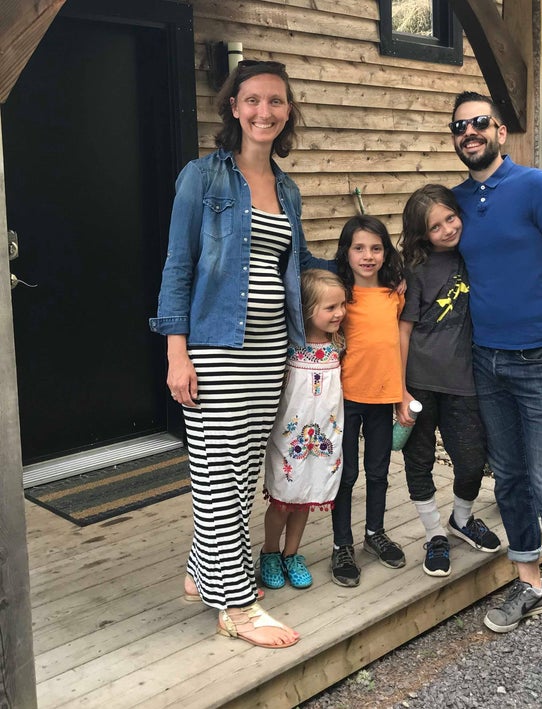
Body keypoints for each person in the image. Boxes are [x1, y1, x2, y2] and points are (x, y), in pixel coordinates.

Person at [149, 60, 333, 649]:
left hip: (271, 349)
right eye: (252, 100)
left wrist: (368, 285)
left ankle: (204, 573)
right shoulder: (201, 179)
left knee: (239, 471)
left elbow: (297, 268)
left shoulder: (287, 189)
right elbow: (178, 266)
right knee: (220, 474)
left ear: (288, 111)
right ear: (234, 107)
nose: (264, 112)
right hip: (215, 347)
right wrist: (178, 353)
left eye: (276, 102)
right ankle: (237, 605)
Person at [449, 91, 542, 688]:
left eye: (480, 122)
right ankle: (528, 583)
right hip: (487, 362)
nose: (470, 132)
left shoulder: (536, 186)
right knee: (508, 480)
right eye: (460, 126)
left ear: (500, 130)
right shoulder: (458, 202)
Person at [396, 184, 501, 578]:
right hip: (419, 382)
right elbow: (403, 331)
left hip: (465, 380)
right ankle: (433, 533)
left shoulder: (474, 254)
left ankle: (461, 518)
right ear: (422, 234)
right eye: (435, 226)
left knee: (472, 459)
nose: (446, 230)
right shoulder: (417, 270)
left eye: (450, 219)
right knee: (419, 461)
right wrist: (400, 389)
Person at [330, 214, 406, 587]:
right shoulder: (339, 296)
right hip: (345, 398)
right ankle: (341, 544)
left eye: (376, 248)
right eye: (359, 248)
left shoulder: (395, 294)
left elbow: (400, 342)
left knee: (378, 472)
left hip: (383, 396)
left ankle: (375, 532)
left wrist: (403, 393)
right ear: (346, 253)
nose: (368, 255)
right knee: (346, 475)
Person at [260, 269, 346, 590]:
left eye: (342, 305)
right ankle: (269, 551)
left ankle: (292, 553)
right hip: (290, 439)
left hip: (325, 437)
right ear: (306, 308)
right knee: (283, 500)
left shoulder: (338, 345)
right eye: (330, 307)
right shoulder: (289, 348)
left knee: (306, 499)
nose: (339, 313)